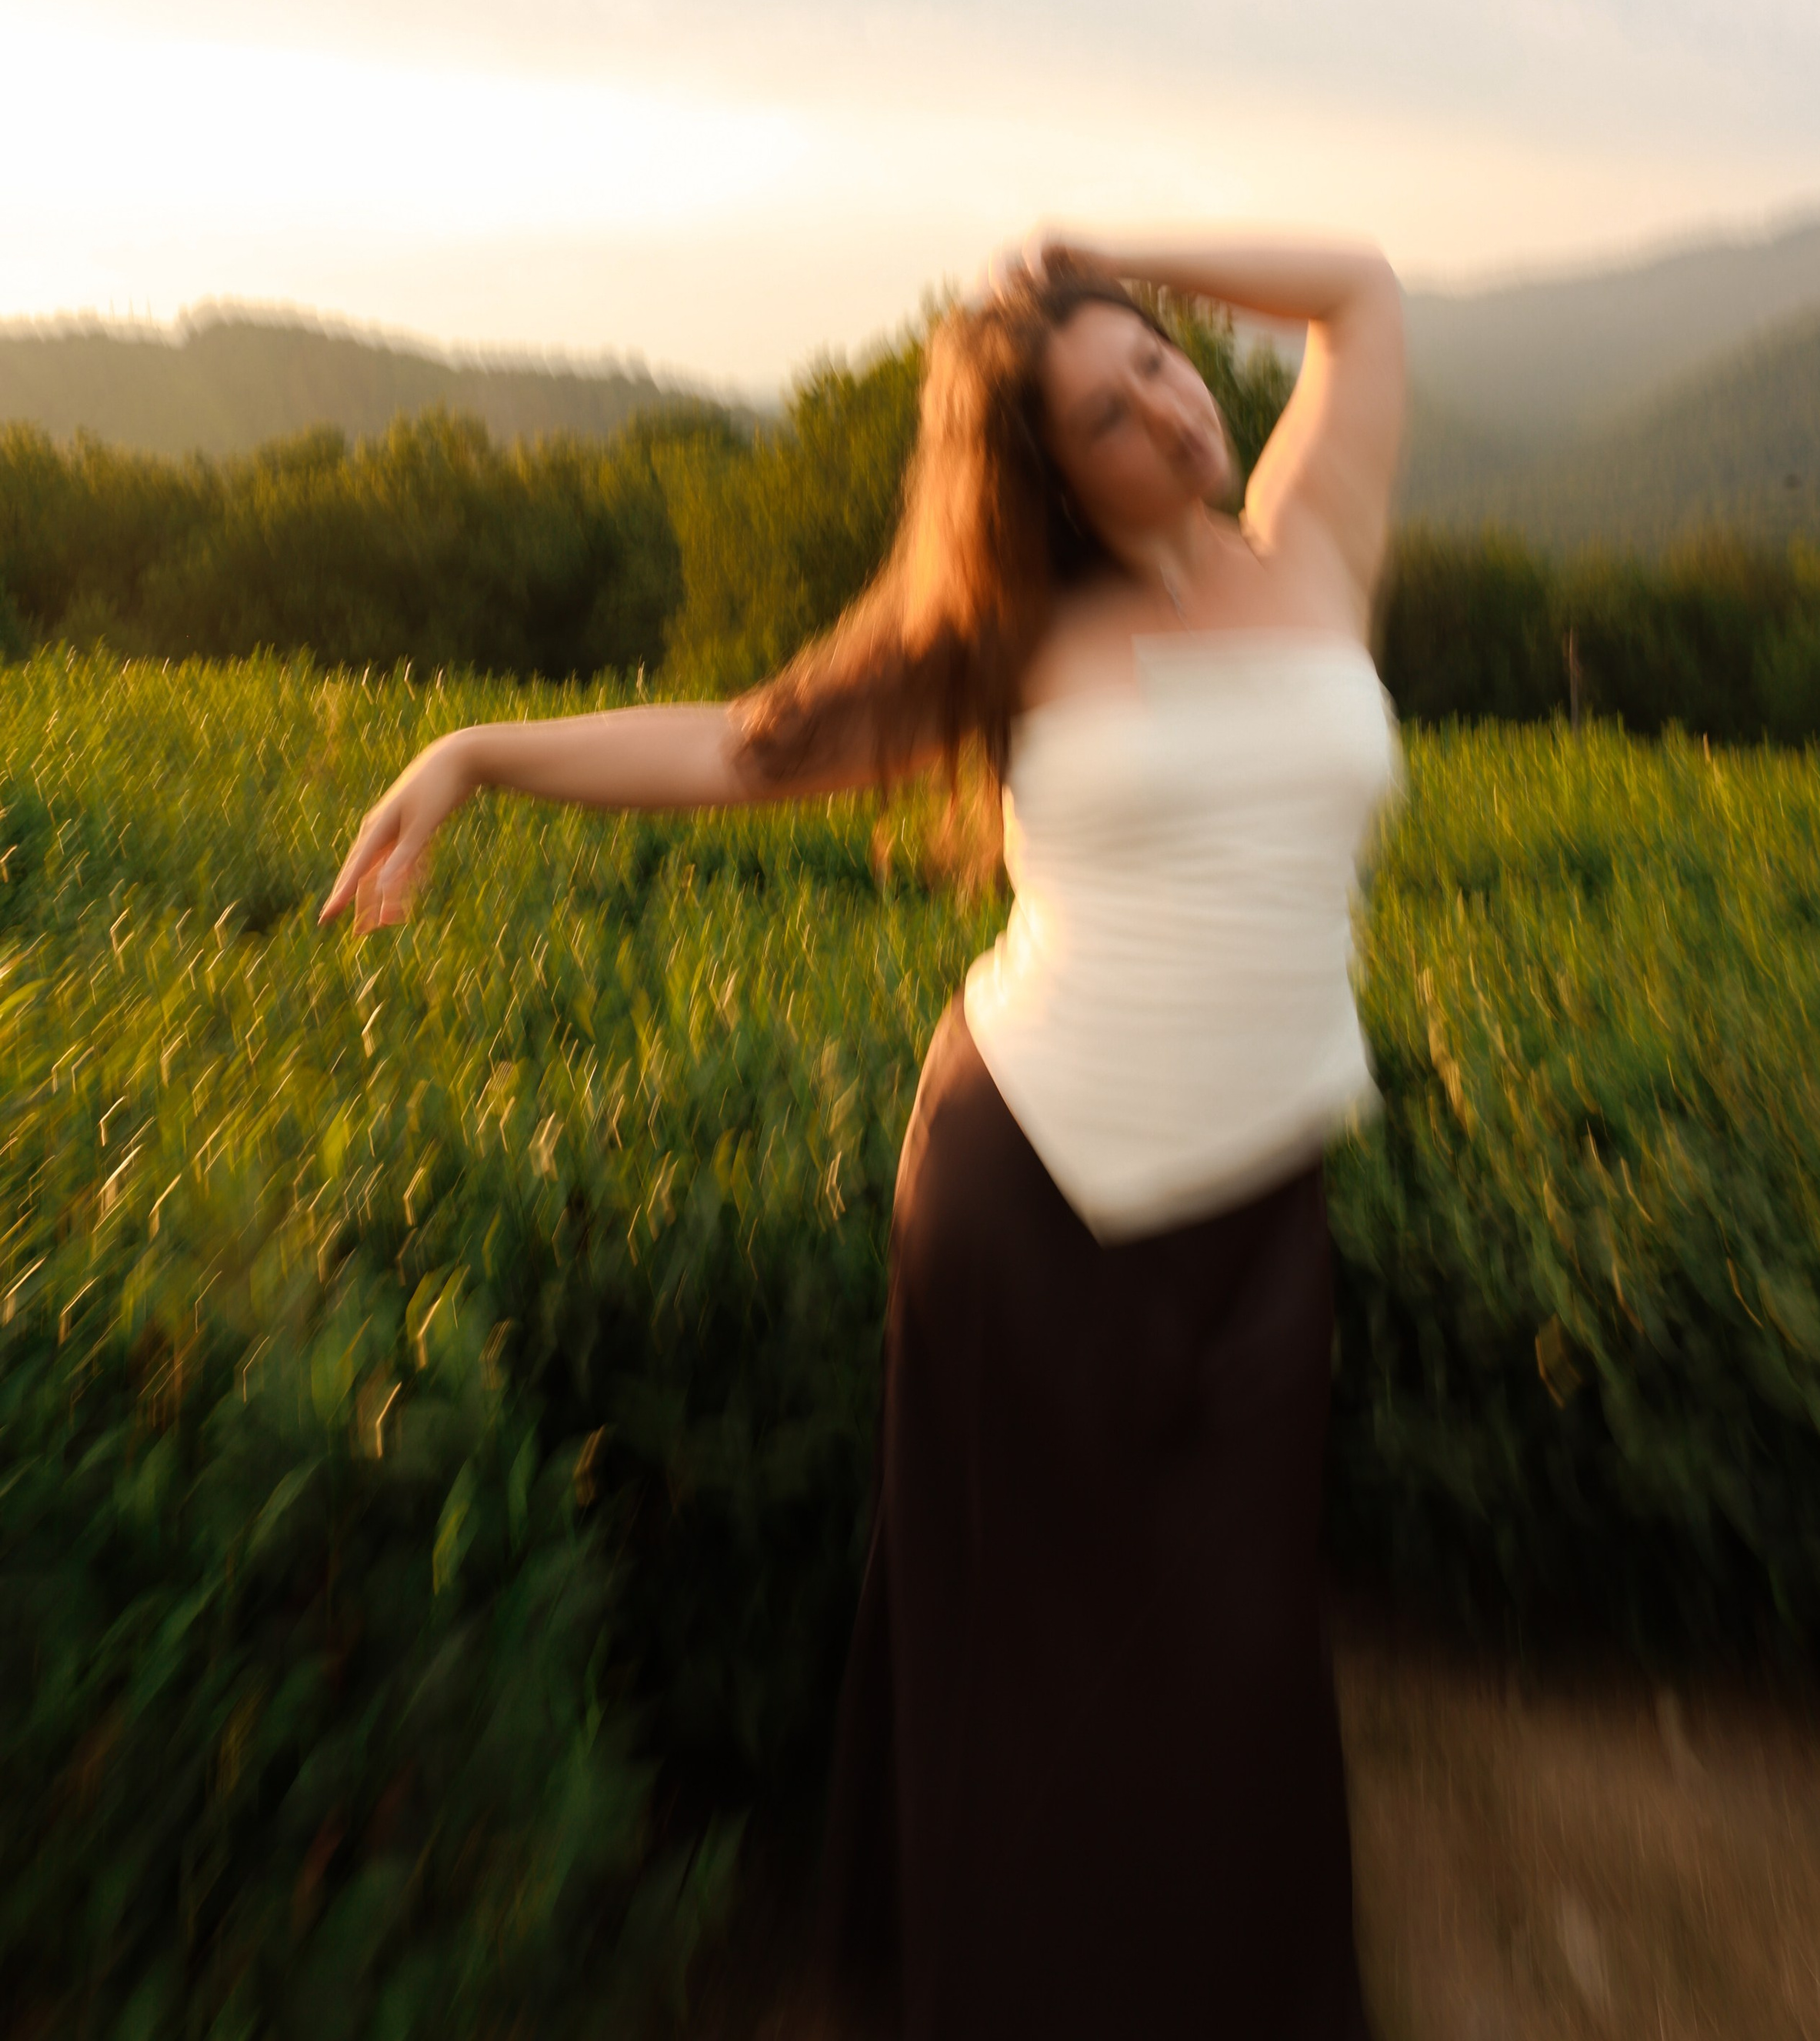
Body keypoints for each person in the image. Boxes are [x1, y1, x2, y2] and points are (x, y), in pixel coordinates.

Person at [321, 230, 1407, 2040]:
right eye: (1103, 408)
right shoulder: (1004, 641)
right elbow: (742, 749)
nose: (1162, 403)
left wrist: (1098, 254)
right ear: (1045, 475)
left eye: (1157, 364)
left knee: (1234, 1650)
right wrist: (475, 752)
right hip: (1034, 1189)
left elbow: (1359, 291)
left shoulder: (1311, 540)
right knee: (1035, 1654)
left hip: (1264, 1193)